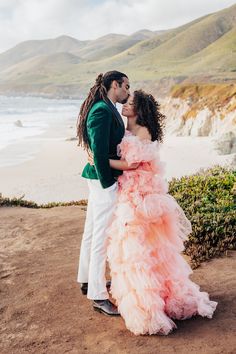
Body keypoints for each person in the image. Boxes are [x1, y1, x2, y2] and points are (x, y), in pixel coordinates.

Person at [106, 90, 218, 335]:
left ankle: (148, 308)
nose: (125, 105)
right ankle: (146, 297)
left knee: (140, 249)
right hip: (131, 193)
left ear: (140, 110)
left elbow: (132, 164)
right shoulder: (128, 129)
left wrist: (100, 162)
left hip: (141, 198)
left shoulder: (143, 130)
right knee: (138, 249)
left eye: (130, 103)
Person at [76, 70, 130, 316]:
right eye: (125, 87)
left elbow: (98, 147)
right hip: (102, 181)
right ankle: (98, 295)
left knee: (91, 231)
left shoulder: (106, 106)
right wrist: (109, 184)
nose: (128, 92)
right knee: (101, 236)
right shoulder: (101, 109)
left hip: (97, 179)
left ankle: (87, 280)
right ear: (114, 84)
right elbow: (97, 151)